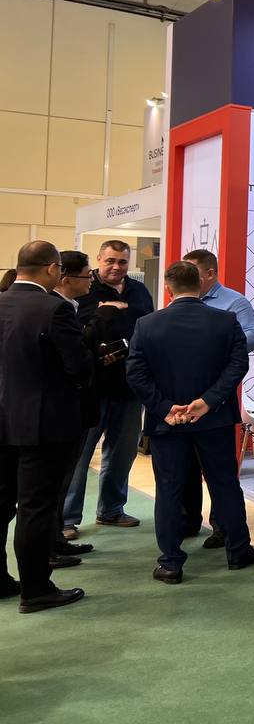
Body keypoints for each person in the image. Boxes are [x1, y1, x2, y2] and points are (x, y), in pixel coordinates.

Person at [126, 261, 254, 584]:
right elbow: (237, 366)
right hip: (214, 420)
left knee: (169, 489)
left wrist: (165, 408)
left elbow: (135, 373)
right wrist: (208, 401)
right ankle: (238, 551)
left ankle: (170, 563)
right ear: (200, 285)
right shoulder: (225, 321)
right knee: (225, 484)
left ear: (168, 289)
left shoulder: (146, 325)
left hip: (167, 424)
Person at [0, 241, 94, 612]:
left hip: (3, 419)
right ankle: (36, 589)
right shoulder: (54, 309)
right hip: (43, 424)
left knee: (2, 503)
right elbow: (79, 366)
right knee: (36, 508)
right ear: (53, 269)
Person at [62, 240, 154, 536]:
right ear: (99, 260)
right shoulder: (84, 290)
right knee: (80, 456)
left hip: (129, 387)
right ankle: (66, 518)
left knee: (122, 453)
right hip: (92, 388)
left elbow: (149, 328)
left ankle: (111, 510)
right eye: (110, 260)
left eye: (122, 261)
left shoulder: (139, 291)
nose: (116, 267)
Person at [181, 249, 254, 549]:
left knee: (219, 469)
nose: (186, 277)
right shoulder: (182, 300)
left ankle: (222, 528)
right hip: (182, 395)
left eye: (192, 271)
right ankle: (188, 521)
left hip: (216, 396)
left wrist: (222, 345)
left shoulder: (234, 302)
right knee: (185, 466)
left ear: (210, 274)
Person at [48, 251, 107, 564]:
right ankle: (50, 547)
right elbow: (74, 361)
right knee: (53, 484)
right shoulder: (57, 309)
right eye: (88, 275)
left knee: (61, 480)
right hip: (60, 411)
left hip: (67, 409)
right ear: (65, 277)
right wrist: (98, 326)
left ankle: (56, 539)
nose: (91, 281)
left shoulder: (66, 306)